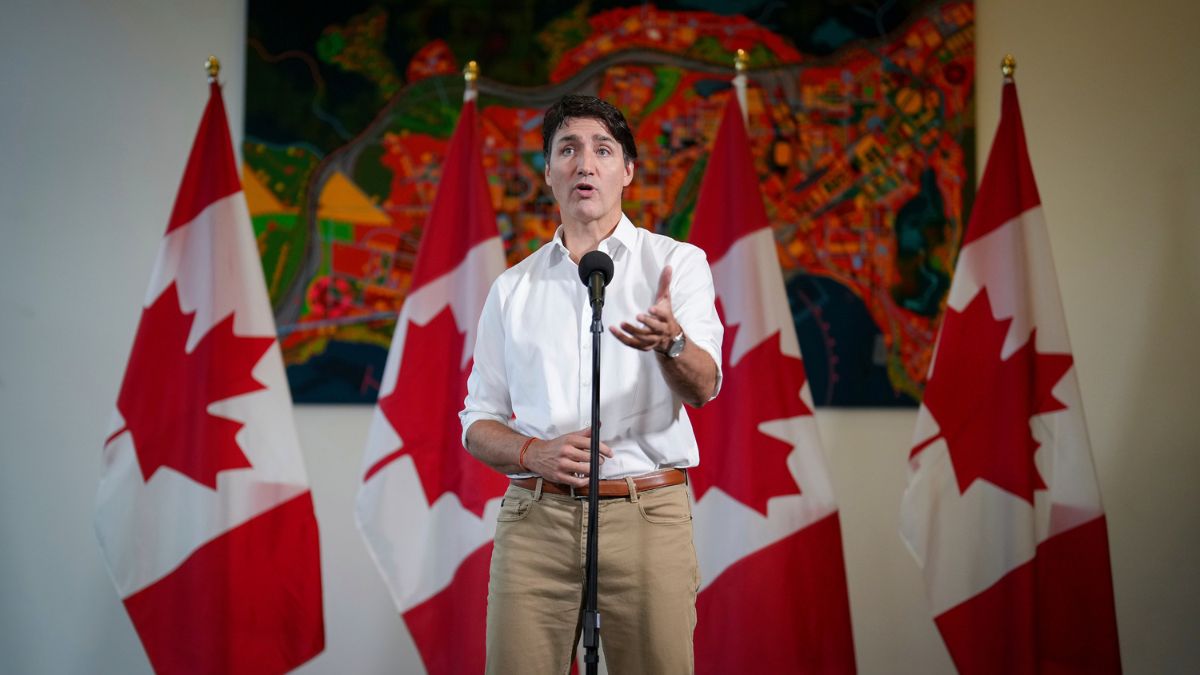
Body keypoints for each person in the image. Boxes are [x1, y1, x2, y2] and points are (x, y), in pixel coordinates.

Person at [460, 94, 722, 674]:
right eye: (568, 150)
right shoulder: (512, 288)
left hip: (645, 515)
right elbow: (477, 423)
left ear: (627, 170)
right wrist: (531, 452)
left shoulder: (676, 265)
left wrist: (672, 343)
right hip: (536, 521)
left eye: (603, 150)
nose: (585, 164)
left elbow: (704, 387)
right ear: (549, 172)